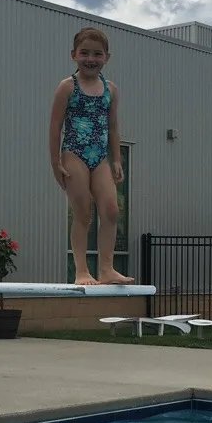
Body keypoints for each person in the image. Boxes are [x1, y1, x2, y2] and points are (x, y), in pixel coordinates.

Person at [49, 27, 133, 286]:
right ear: (74, 54)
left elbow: (113, 126)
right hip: (74, 153)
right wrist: (56, 163)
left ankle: (106, 269)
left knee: (110, 210)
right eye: (84, 53)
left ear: (107, 57)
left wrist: (117, 159)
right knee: (83, 210)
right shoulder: (67, 87)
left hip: (100, 157)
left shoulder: (110, 89)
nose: (90, 59)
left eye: (97, 54)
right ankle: (82, 271)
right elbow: (55, 126)